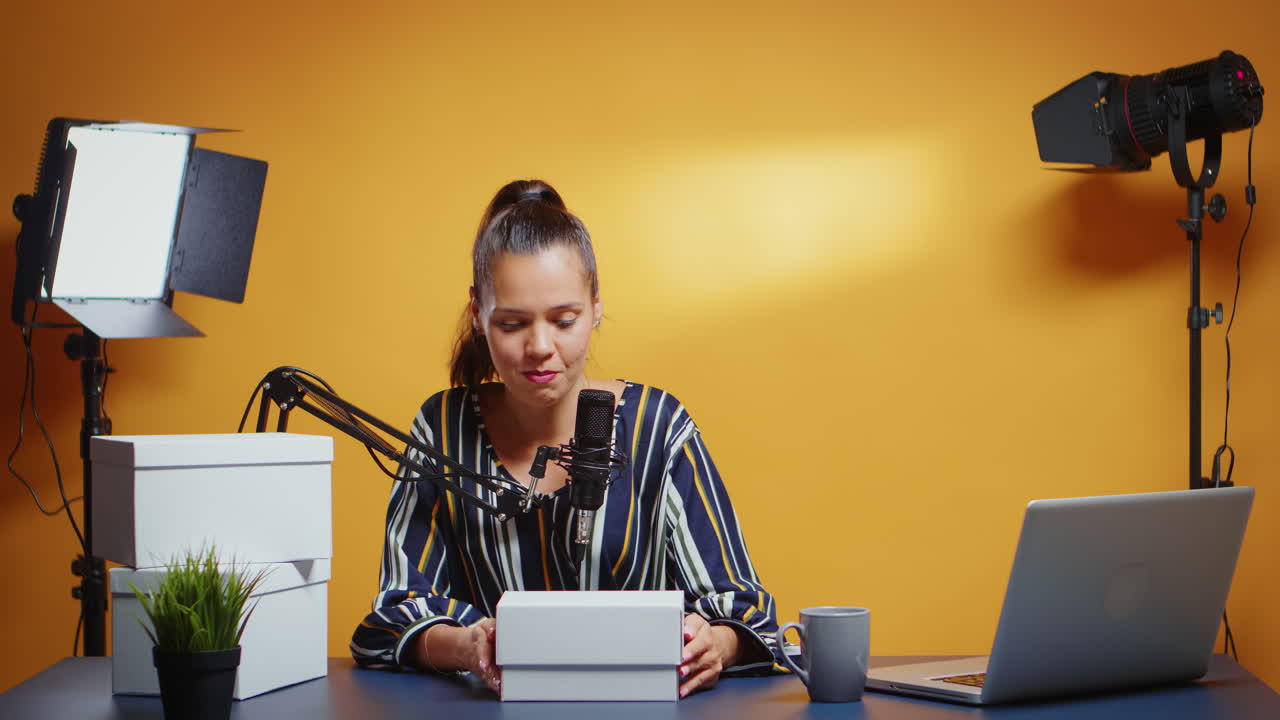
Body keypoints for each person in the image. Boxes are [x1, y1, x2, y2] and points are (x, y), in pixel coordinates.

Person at [350, 180, 779, 698]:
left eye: (564, 320)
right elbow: (395, 613)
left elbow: (745, 611)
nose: (540, 347)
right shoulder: (441, 429)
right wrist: (467, 645)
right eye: (511, 324)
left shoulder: (658, 427)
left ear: (596, 306)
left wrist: (717, 645)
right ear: (477, 316)